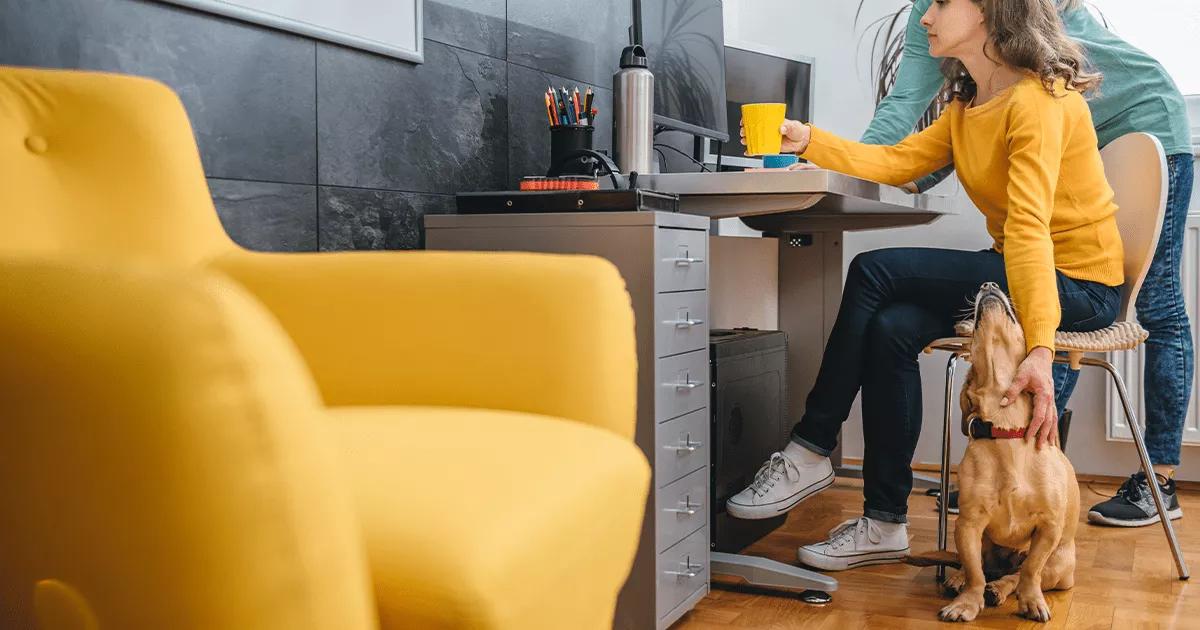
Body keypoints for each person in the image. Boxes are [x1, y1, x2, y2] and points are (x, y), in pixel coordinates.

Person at [725, 0, 1125, 571]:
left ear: (989, 9)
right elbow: (898, 161)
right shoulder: (972, 104)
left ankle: (811, 446)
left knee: (874, 270)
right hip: (1023, 271)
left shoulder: (1037, 101)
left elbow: (1031, 230)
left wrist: (1040, 345)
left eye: (939, 2)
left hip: (1077, 286)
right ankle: (885, 522)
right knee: (891, 328)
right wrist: (807, 139)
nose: (925, 18)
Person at [864, 0, 1192, 528]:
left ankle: (1159, 482)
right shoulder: (936, 13)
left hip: (1143, 115)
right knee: (1046, 279)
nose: (930, 13)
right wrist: (862, 169)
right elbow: (909, 102)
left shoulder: (999, 22)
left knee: (1158, 303)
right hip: (1076, 119)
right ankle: (1027, 468)